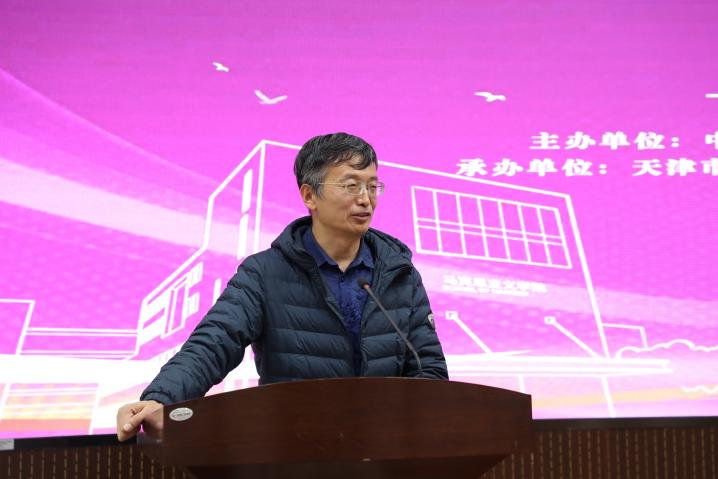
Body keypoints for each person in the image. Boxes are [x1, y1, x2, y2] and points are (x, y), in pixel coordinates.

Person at [116, 132, 448, 441]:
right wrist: (162, 398)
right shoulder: (264, 273)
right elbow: (214, 341)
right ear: (309, 195)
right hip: (294, 450)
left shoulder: (399, 273)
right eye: (351, 186)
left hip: (384, 452)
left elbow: (429, 370)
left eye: (373, 186)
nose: (365, 199)